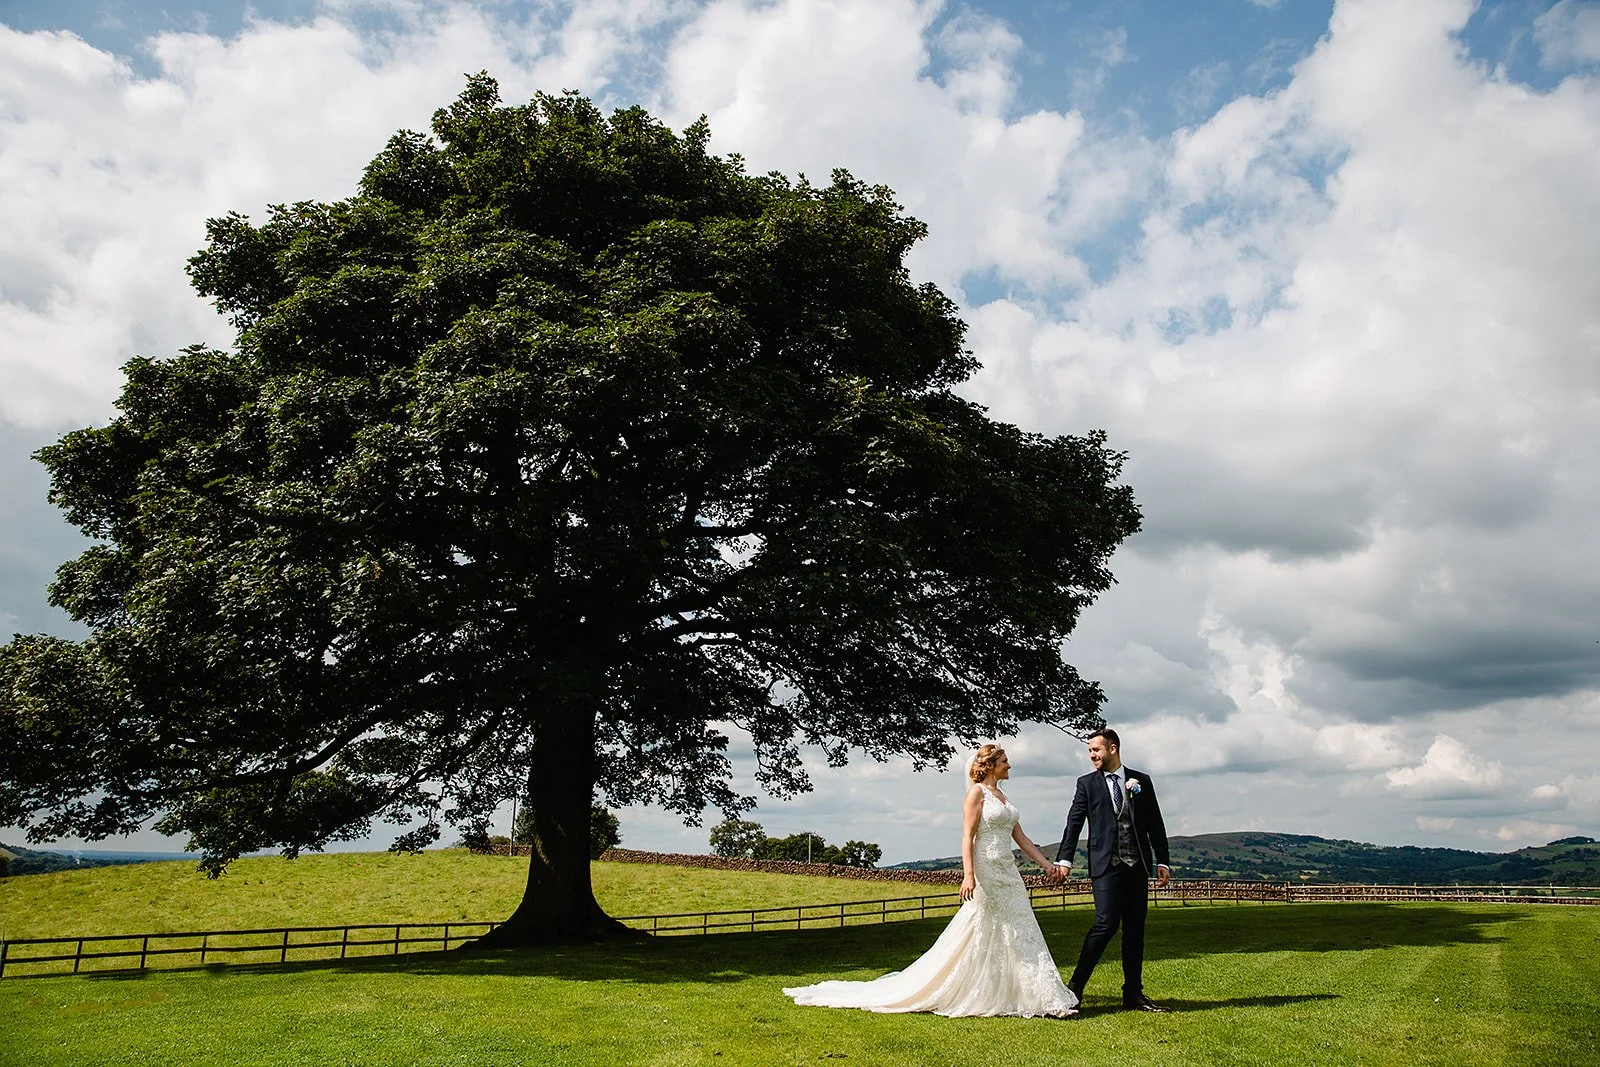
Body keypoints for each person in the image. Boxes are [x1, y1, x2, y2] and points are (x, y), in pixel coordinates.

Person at [783, 744, 1078, 1017]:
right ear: (990, 766)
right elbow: (967, 836)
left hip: (1008, 869)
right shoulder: (976, 794)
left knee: (1019, 925)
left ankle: (1035, 995)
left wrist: (1046, 865)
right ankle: (1025, 996)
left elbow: (1021, 838)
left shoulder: (1003, 797)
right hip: (987, 867)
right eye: (1004, 761)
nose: (1009, 765)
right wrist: (969, 875)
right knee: (992, 923)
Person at [1054, 727, 1173, 1012]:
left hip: (1137, 866)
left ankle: (1133, 994)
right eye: (1090, 751)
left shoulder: (1140, 781)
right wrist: (1064, 860)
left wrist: (1163, 860)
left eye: (1096, 750)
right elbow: (1074, 823)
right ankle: (1075, 990)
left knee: (1135, 930)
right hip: (1105, 865)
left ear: (1113, 748)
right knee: (1105, 924)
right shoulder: (1087, 783)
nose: (1092, 755)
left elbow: (1155, 823)